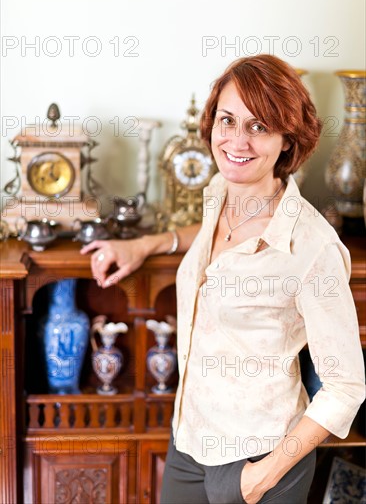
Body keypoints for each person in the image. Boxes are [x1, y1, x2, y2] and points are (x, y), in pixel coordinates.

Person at [81, 54, 365, 504]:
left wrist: (262, 477)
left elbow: (346, 386)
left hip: (261, 459)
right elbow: (217, 241)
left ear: (287, 140)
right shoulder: (219, 192)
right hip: (189, 441)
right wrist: (144, 245)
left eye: (258, 126)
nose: (236, 140)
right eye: (227, 120)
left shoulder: (314, 247)